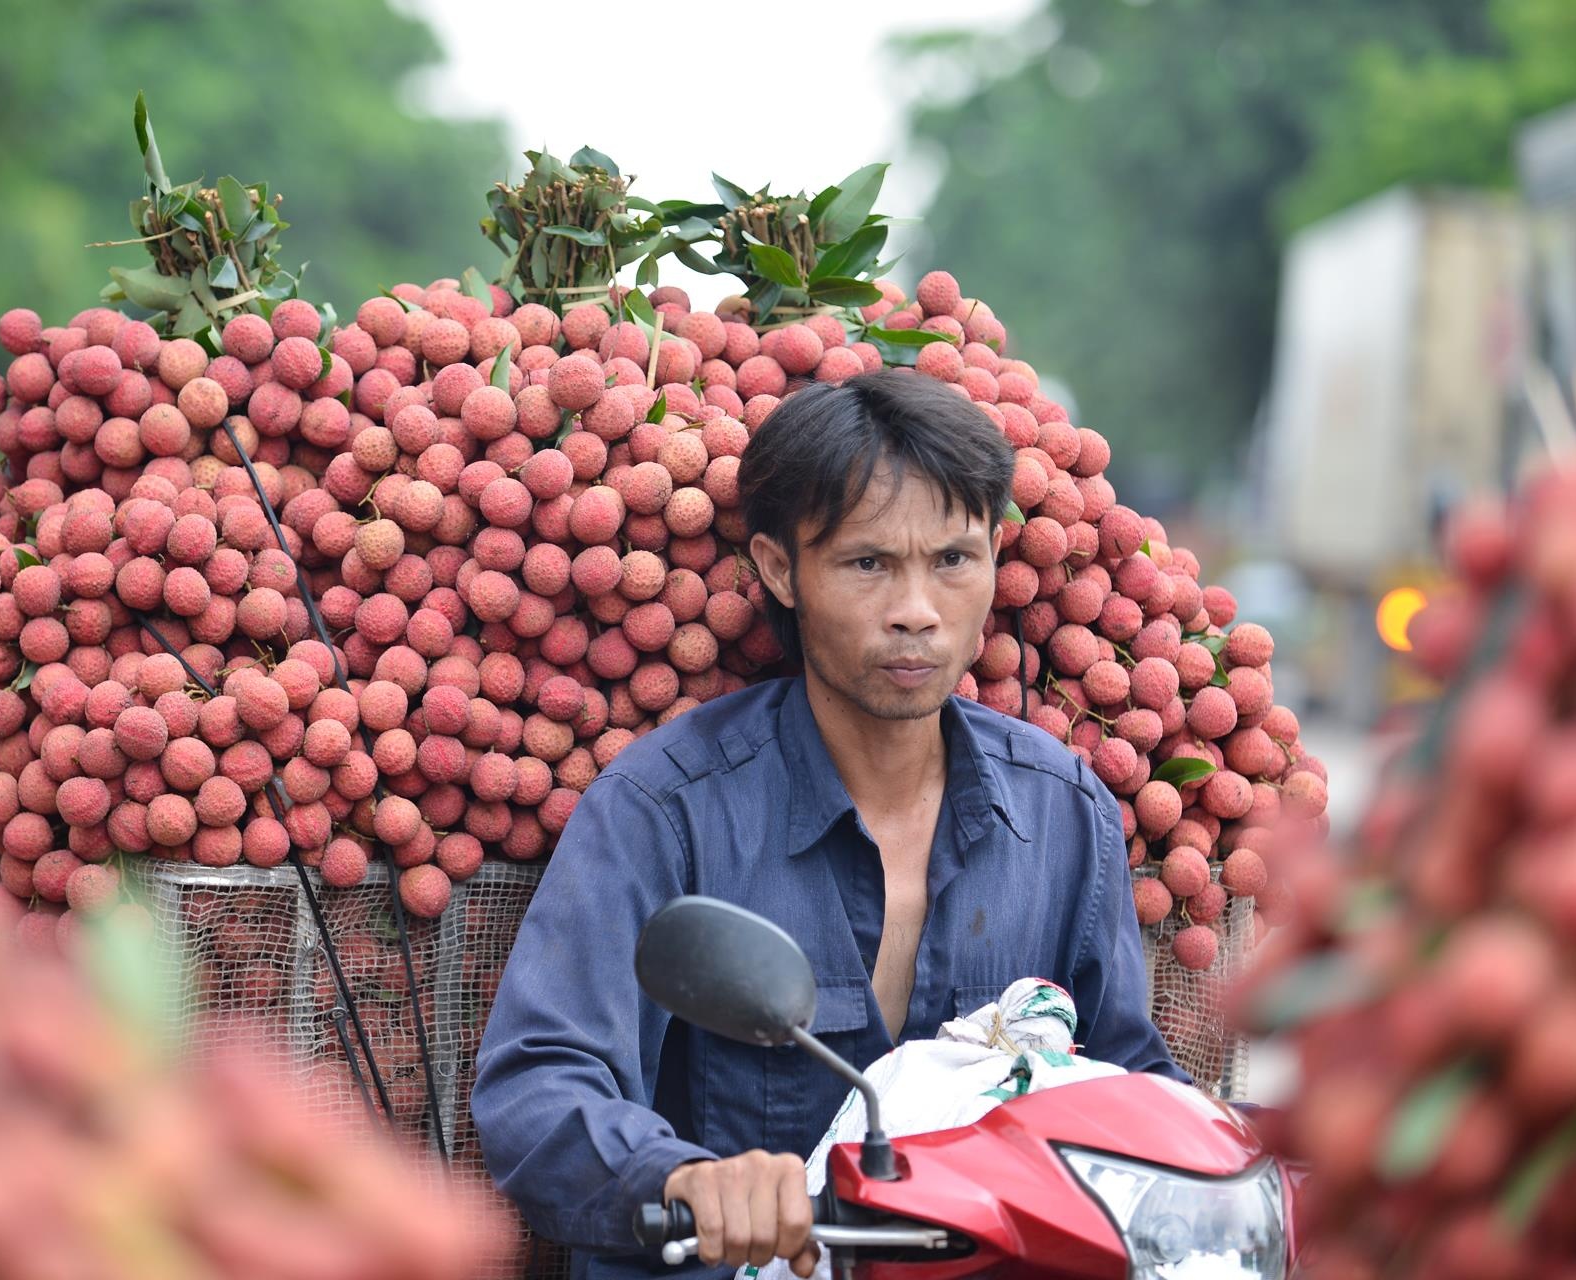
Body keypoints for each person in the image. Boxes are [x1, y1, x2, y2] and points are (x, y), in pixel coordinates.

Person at [471, 371, 1185, 1279]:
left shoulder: (1062, 811)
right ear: (780, 569)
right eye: (868, 563)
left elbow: (1130, 1087)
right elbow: (542, 1081)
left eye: (953, 561)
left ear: (998, 559)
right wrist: (687, 1179)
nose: (917, 611)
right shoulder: (666, 807)